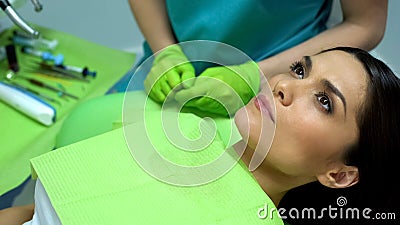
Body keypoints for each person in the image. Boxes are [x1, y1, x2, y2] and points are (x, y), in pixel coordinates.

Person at [1, 47, 399, 225]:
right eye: (299, 70)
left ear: (340, 174)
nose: (282, 85)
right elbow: (38, 211)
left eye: (325, 102)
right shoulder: (175, 133)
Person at [117, 0, 388, 116]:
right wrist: (164, 49)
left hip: (277, 69)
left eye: (325, 103)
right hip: (169, 67)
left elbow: (365, 24)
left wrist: (256, 77)